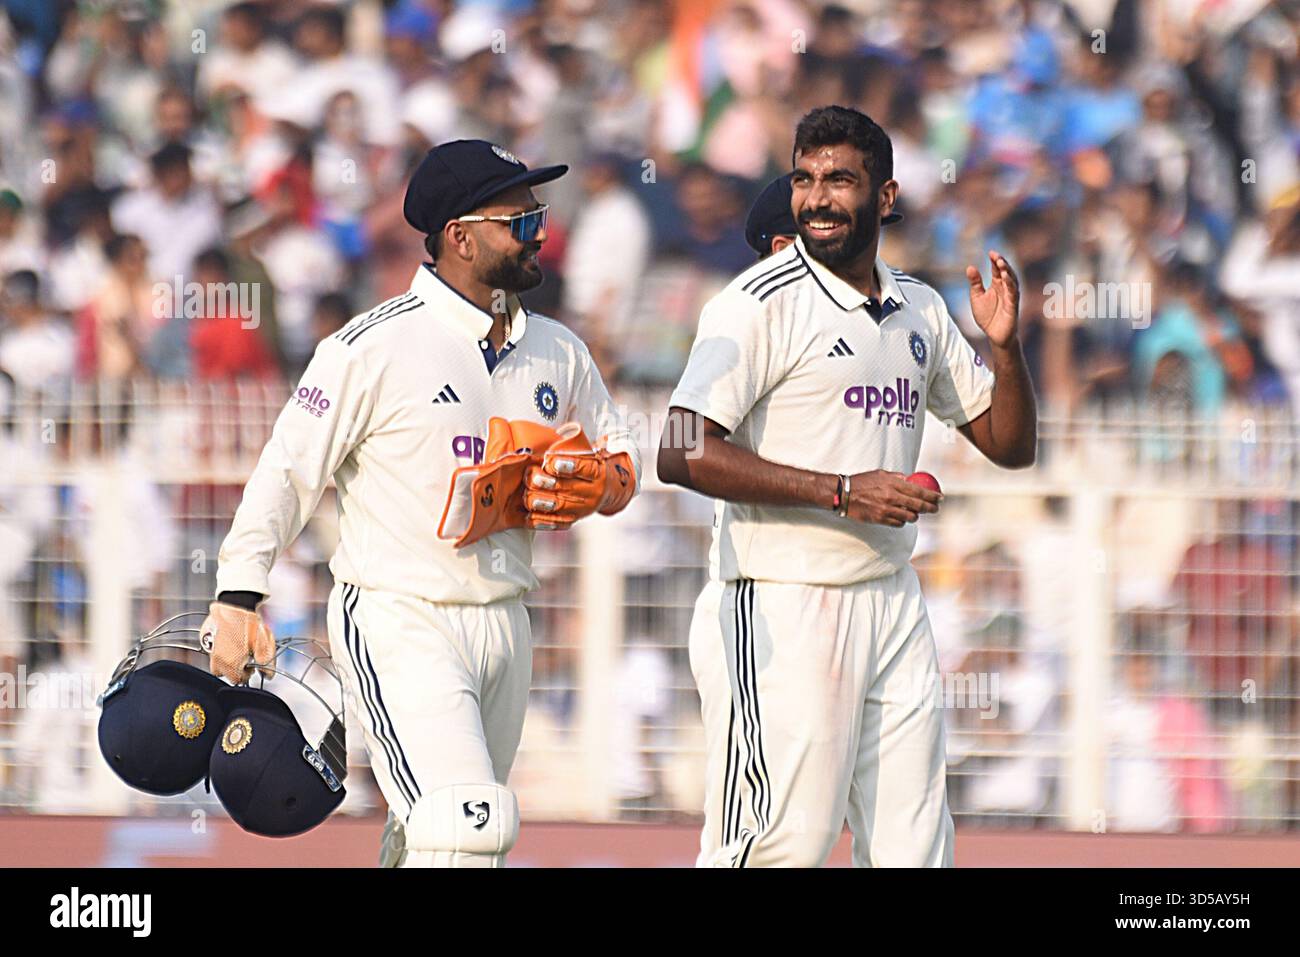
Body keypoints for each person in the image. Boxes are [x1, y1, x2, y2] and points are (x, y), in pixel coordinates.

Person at [204, 140, 640, 868]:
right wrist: (238, 594)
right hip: (401, 614)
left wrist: (602, 484)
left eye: (539, 219)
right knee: (467, 825)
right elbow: (288, 469)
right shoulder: (371, 346)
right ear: (461, 237)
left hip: (506, 619)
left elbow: (620, 456)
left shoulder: (558, 349)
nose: (540, 237)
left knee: (442, 837)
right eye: (521, 223)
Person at [657, 105, 1037, 867]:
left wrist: (1005, 347)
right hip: (781, 598)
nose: (818, 198)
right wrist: (841, 490)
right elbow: (677, 449)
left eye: (840, 179)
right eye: (804, 178)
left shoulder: (919, 307)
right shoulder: (759, 300)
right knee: (777, 846)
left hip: (891, 599)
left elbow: (1010, 444)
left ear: (886, 197)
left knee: (914, 849)